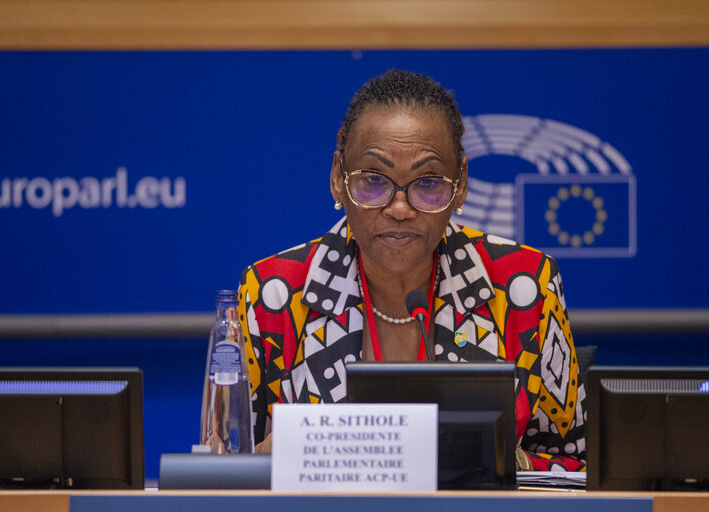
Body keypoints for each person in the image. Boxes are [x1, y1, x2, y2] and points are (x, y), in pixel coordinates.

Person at [237, 69, 586, 471]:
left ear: (461, 186)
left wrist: (501, 462)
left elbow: (574, 468)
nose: (399, 208)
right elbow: (224, 468)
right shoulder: (273, 294)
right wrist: (262, 464)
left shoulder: (523, 286)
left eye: (427, 183)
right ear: (338, 178)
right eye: (373, 181)